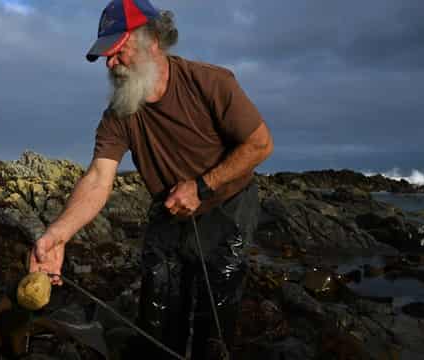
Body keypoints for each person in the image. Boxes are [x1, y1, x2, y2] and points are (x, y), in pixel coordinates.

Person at [29, 0, 273, 358]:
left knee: (215, 313)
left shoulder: (210, 82)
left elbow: (260, 143)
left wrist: (202, 186)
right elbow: (98, 177)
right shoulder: (120, 113)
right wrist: (58, 234)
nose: (111, 64)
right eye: (106, 57)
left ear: (153, 41)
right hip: (169, 207)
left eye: (117, 52)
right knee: (156, 305)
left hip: (228, 204)